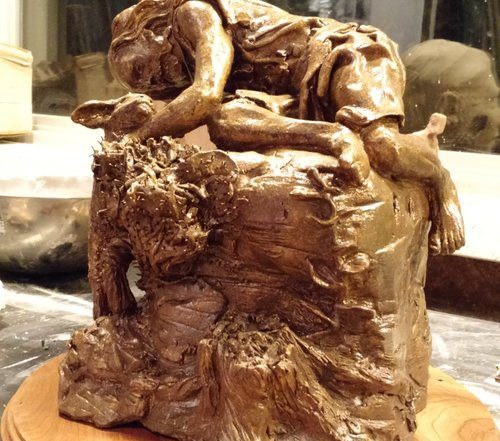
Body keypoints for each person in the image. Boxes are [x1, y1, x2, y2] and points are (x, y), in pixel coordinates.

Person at [72, 0, 464, 255]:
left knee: (382, 148)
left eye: (148, 68)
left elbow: (204, 96)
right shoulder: (179, 60)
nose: (157, 80)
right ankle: (332, 135)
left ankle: (439, 180)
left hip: (341, 54)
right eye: (147, 84)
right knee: (226, 121)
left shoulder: (193, 13)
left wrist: (138, 137)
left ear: (152, 34)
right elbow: (208, 109)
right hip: (296, 91)